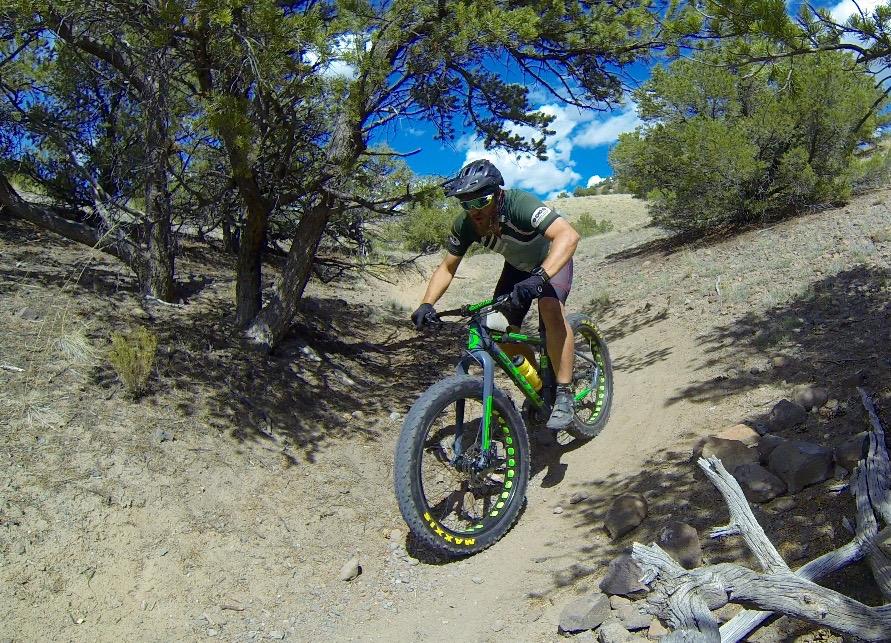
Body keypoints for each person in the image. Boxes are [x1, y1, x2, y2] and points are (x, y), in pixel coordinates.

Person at [411, 159, 581, 430]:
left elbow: (568, 236)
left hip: (551, 260)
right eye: (466, 204)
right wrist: (426, 303)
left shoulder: (519, 204)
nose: (474, 210)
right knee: (496, 327)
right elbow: (447, 267)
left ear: (498, 194)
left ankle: (563, 394)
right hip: (517, 269)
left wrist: (541, 276)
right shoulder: (465, 225)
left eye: (481, 201)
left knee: (549, 308)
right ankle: (537, 383)